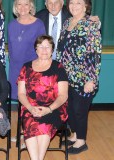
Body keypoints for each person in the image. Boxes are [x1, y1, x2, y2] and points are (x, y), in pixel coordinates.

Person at [57, 0, 102, 154]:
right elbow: (61, 49)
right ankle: (75, 135)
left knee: (79, 110)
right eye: (72, 3)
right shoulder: (68, 22)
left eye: (78, 3)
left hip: (84, 77)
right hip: (66, 76)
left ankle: (81, 142)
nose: (74, 6)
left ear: (86, 6)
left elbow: (94, 54)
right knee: (70, 107)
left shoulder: (91, 24)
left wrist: (91, 79)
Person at [17, 35, 68, 160]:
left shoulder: (59, 67)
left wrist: (49, 109)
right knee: (31, 124)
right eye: (41, 47)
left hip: (55, 108)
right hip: (30, 107)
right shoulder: (26, 67)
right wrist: (29, 107)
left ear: (52, 50)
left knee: (43, 127)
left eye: (47, 47)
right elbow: (21, 94)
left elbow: (63, 95)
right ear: (36, 49)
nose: (44, 50)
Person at [7, 0, 45, 100]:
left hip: (32, 68)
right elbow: (10, 47)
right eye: (19, 4)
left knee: (31, 98)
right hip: (15, 68)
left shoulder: (38, 24)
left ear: (31, 7)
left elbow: (42, 48)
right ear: (15, 7)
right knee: (18, 96)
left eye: (26, 4)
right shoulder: (11, 25)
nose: (22, 7)